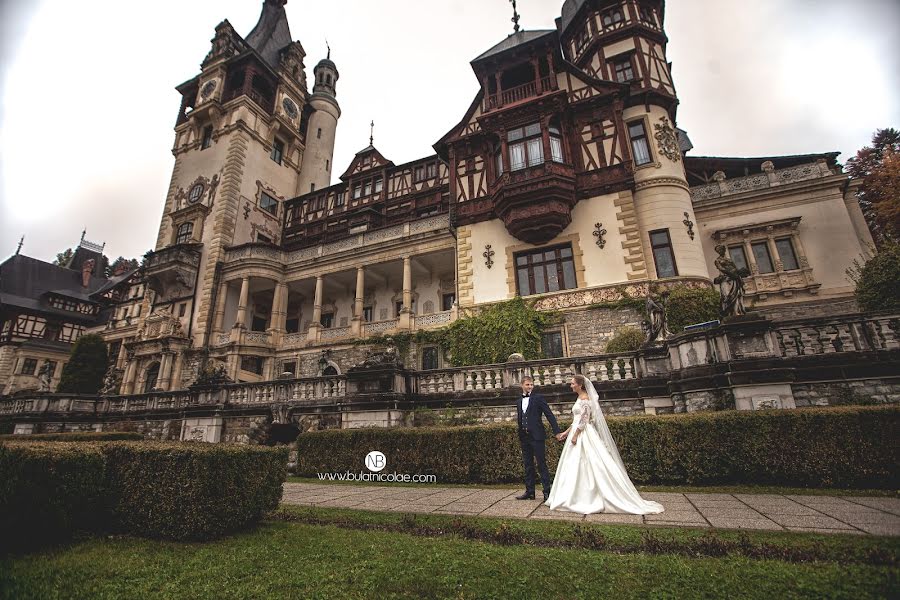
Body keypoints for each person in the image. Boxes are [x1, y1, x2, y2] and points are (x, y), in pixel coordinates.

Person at [546, 374, 664, 515]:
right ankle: (571, 494)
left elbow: (584, 420)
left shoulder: (585, 399)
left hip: (584, 434)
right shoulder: (579, 398)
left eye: (572, 383)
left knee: (591, 463)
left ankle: (589, 496)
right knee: (574, 464)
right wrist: (566, 432)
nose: (571, 386)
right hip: (576, 431)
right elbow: (576, 420)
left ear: (580, 385)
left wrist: (576, 435)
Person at [515, 375, 561, 502]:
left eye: (531, 385)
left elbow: (549, 414)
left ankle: (547, 492)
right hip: (524, 437)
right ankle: (530, 492)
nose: (529, 387)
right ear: (522, 385)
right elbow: (521, 419)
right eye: (527, 384)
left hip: (537, 436)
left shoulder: (538, 398)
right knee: (528, 465)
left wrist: (556, 431)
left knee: (542, 465)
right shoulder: (519, 401)